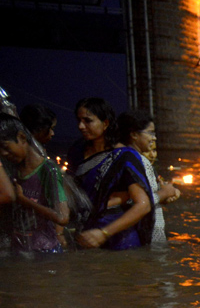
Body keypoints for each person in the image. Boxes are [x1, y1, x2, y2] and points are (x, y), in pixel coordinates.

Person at [69, 97, 154, 250]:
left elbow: (143, 205)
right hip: (86, 234)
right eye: (78, 120)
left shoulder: (124, 156)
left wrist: (104, 233)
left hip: (120, 238)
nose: (81, 126)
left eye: (88, 121)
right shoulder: (77, 152)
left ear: (105, 123)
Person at [0, 115, 69, 253]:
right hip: (20, 250)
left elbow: (62, 217)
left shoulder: (48, 170)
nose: (3, 153)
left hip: (46, 251)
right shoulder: (13, 170)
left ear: (22, 138)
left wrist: (24, 201)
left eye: (5, 147)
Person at [117, 110, 180, 244]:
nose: (154, 138)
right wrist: (164, 193)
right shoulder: (134, 161)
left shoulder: (132, 158)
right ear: (134, 134)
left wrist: (166, 194)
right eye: (150, 133)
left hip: (146, 233)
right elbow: (136, 202)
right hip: (143, 234)